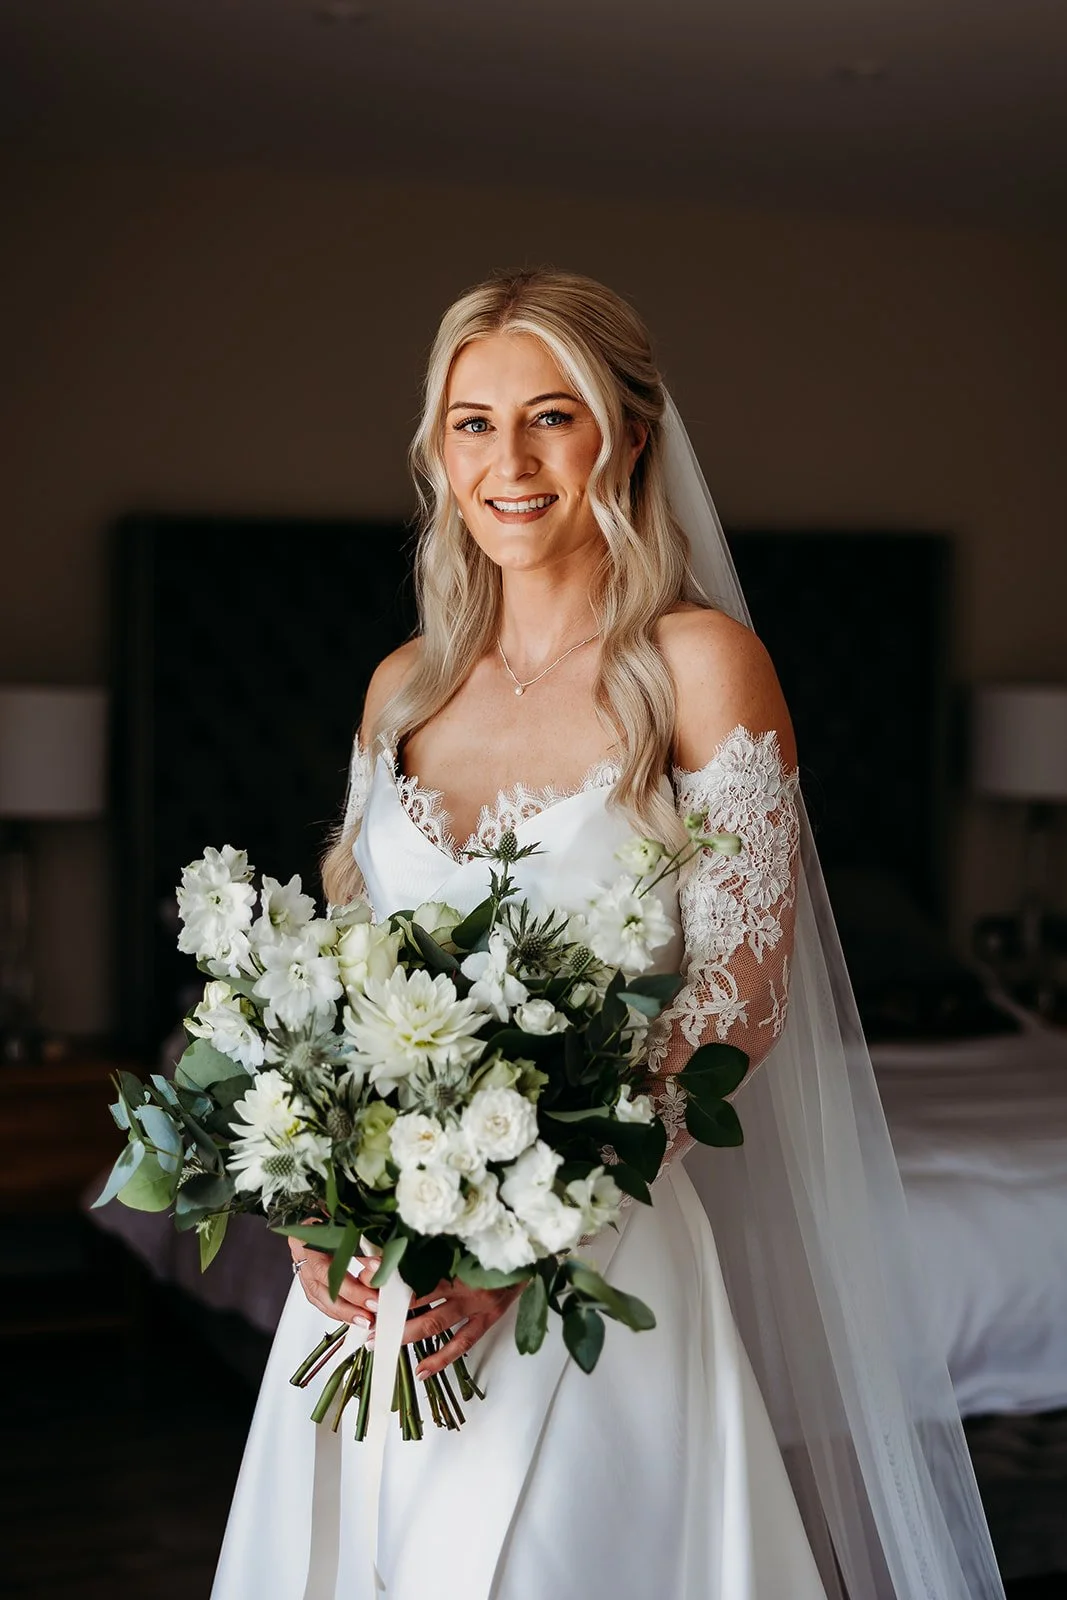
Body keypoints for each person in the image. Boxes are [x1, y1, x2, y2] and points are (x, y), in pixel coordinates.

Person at [212, 270, 1004, 1600]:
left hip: (592, 1258)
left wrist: (528, 1233)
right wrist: (314, 1206)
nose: (509, 464)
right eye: (472, 423)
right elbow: (343, 985)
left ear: (628, 437)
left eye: (552, 417)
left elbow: (741, 993)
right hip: (380, 1281)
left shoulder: (701, 666)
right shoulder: (401, 688)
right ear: (437, 449)